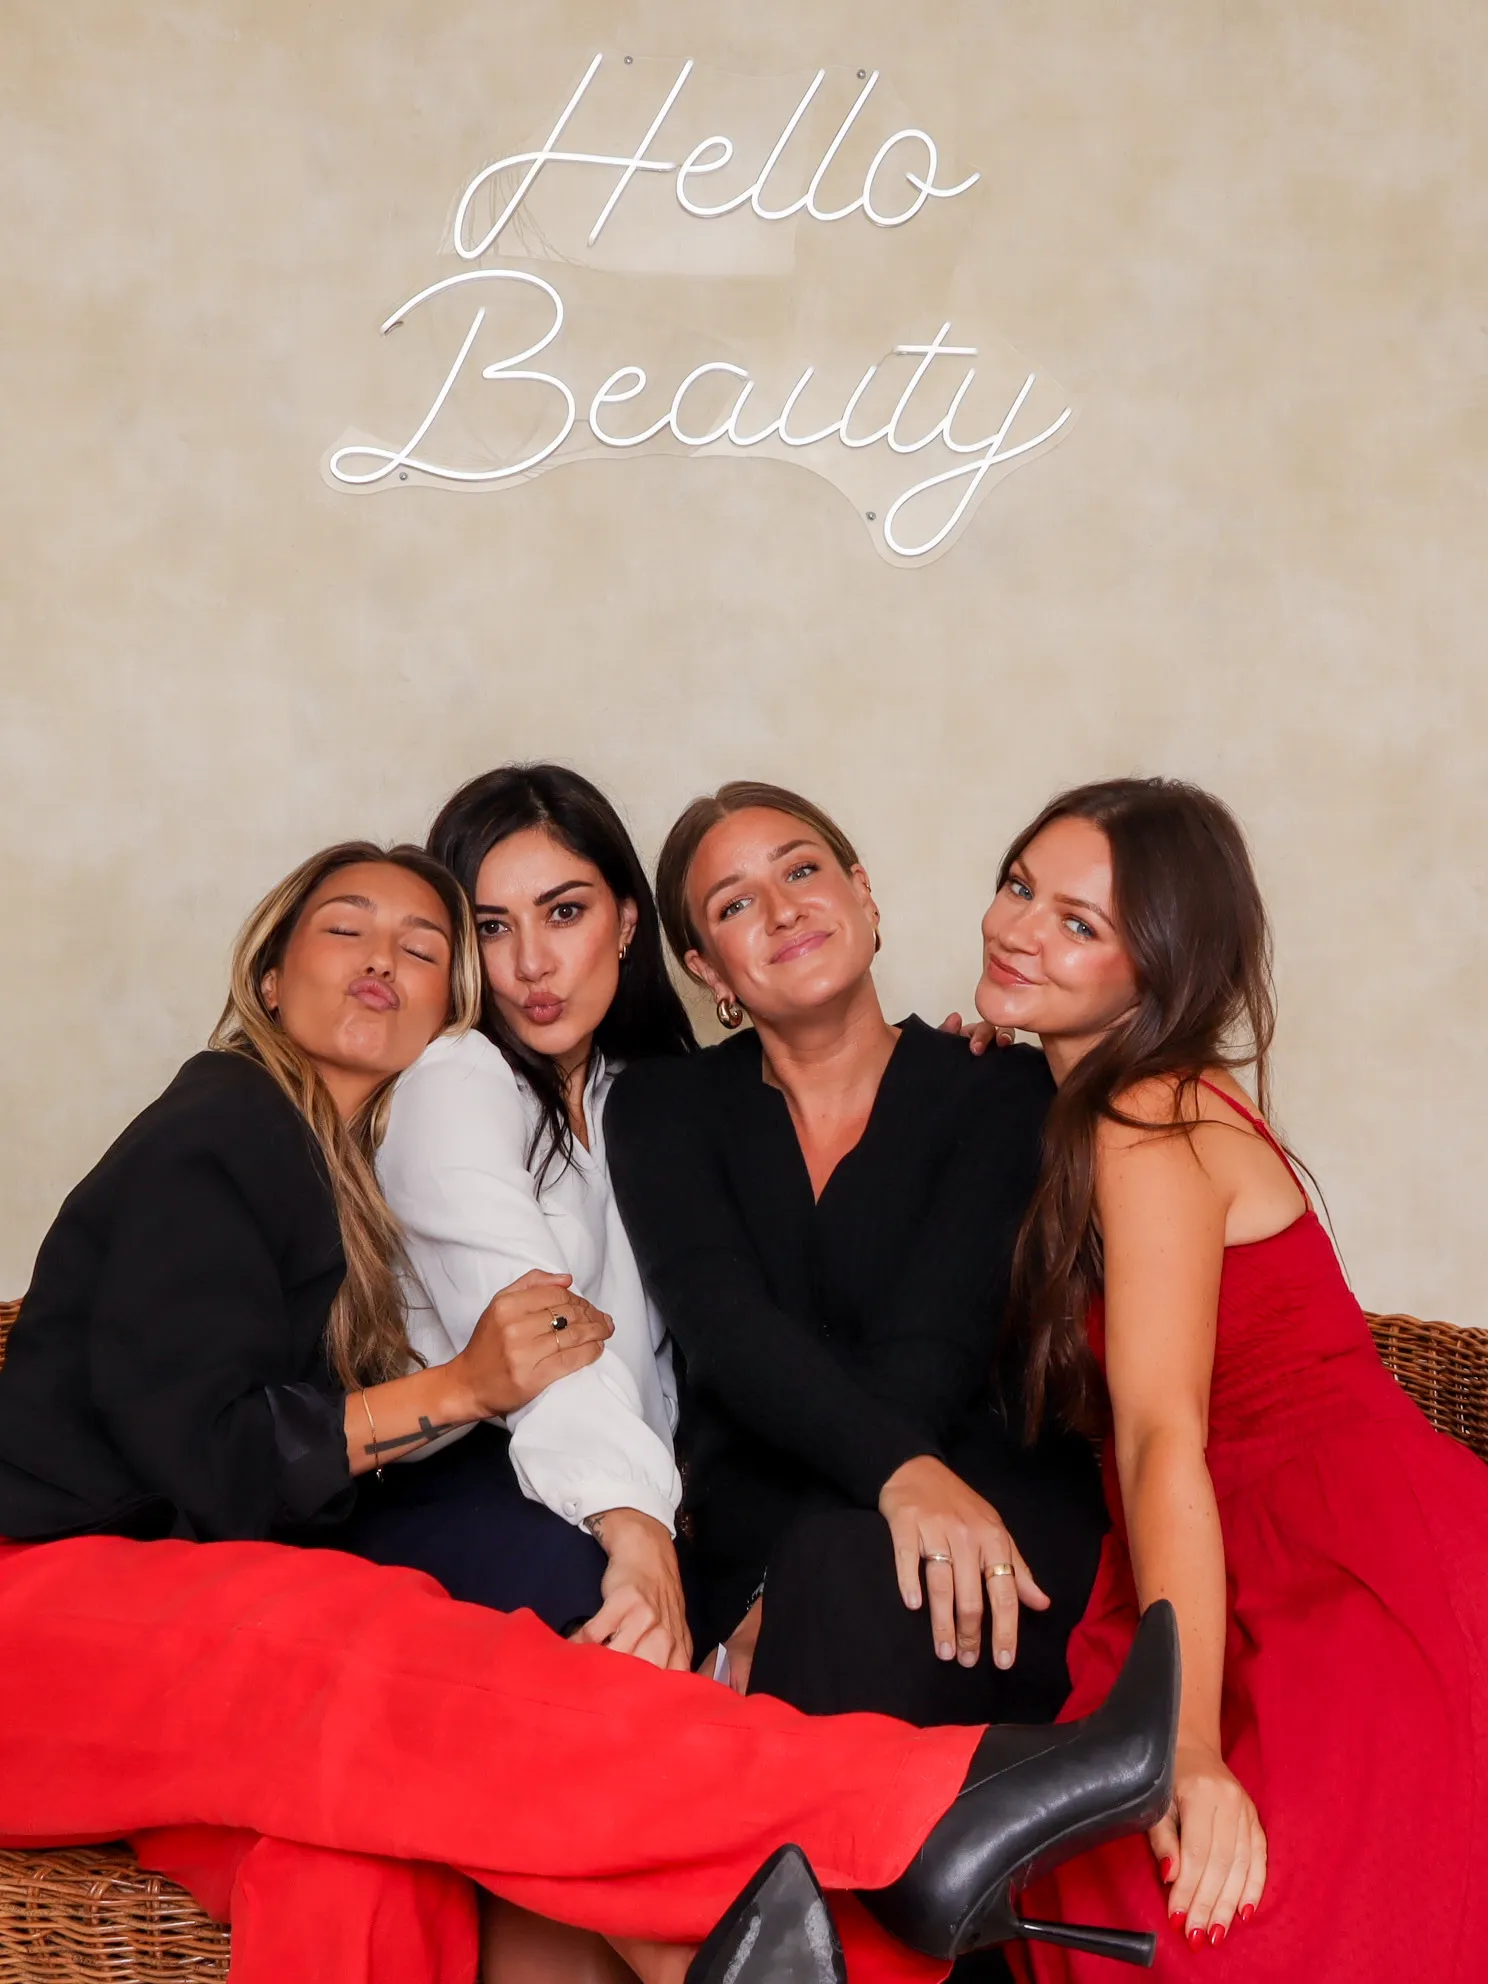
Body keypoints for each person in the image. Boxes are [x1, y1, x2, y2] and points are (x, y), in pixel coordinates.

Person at [0, 836, 1182, 1984]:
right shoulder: (224, 1124)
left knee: (361, 1872)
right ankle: (921, 1814)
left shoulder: (353, 1168)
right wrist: (460, 1392)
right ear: (267, 975)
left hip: (146, 1697)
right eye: (344, 928)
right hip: (51, 1611)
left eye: (420, 947)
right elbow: (210, 1457)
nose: (381, 960)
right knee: (392, 1656)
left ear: (446, 1005)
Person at [969, 776, 1488, 1979]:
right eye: (1018, 886)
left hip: (1350, 1546)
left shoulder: (1147, 1111)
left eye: (1078, 923)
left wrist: (1186, 1744)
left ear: (1157, 971)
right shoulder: (1089, 1099)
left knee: (1233, 1918)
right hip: (1246, 1531)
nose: (1019, 927)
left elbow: (1158, 1434)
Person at [606, 782, 1108, 1727]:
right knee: (832, 1582)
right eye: (734, 904)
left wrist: (790, 1596)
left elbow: (937, 1342)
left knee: (842, 1582)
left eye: (802, 870)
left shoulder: (1003, 1088)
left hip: (979, 1507)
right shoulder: (660, 1111)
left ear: (863, 897)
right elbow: (729, 1330)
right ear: (706, 969)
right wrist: (768, 1589)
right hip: (760, 1544)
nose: (783, 908)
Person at [339, 766, 696, 1669]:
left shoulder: (644, 1096)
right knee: (615, 1638)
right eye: (493, 928)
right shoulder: (455, 1081)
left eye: (563, 913)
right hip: (461, 1483)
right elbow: (539, 1330)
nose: (530, 964)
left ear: (625, 922)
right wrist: (636, 1530)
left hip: (628, 1483)